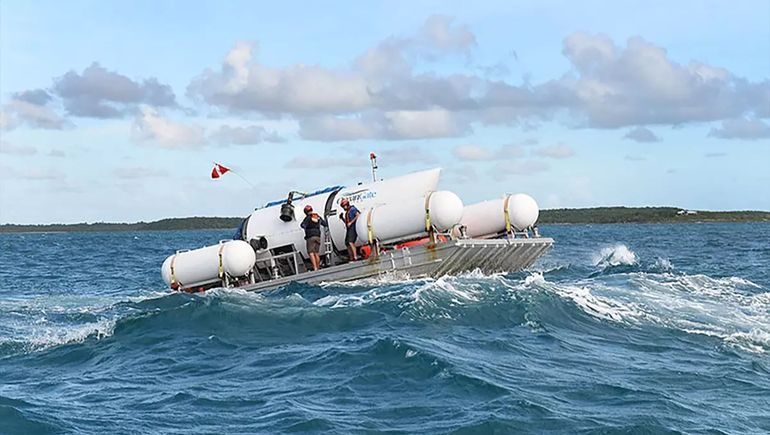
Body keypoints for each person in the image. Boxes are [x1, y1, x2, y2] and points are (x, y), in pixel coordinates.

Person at [300, 205, 327, 271]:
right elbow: (324, 224)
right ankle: (318, 267)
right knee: (316, 253)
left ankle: (315, 268)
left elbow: (302, 225)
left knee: (311, 252)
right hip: (318, 236)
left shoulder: (308, 218)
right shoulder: (317, 216)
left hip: (310, 237)